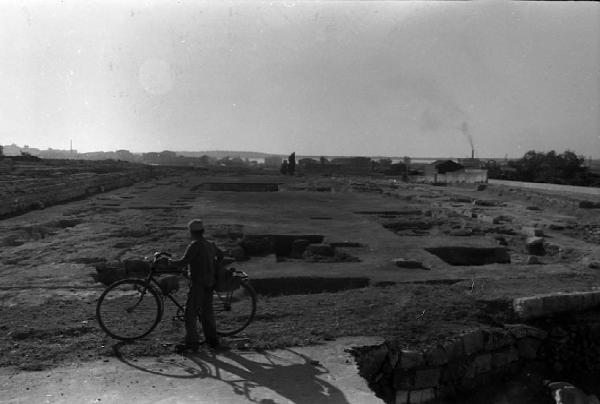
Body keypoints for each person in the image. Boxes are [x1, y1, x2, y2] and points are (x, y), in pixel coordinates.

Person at [168, 219, 225, 352]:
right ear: (203, 231)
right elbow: (221, 255)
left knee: (190, 313)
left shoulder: (194, 245)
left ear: (191, 232)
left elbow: (183, 262)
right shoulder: (210, 244)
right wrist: (214, 266)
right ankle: (213, 341)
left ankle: (192, 342)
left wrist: (170, 262)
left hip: (198, 283)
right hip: (210, 283)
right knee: (207, 313)